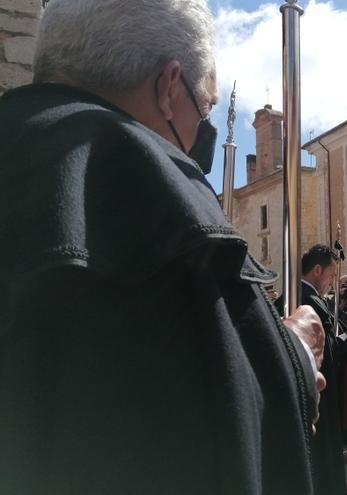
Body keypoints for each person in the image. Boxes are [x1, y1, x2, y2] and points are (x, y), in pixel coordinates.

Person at [0, 1, 326, 493]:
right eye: (207, 107)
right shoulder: (145, 178)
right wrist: (297, 355)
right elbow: (207, 412)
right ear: (170, 87)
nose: (205, 131)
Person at [300, 246, 347, 495]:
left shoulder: (311, 299)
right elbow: (325, 354)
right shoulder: (307, 301)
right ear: (318, 270)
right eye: (331, 274)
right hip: (317, 394)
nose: (332, 282)